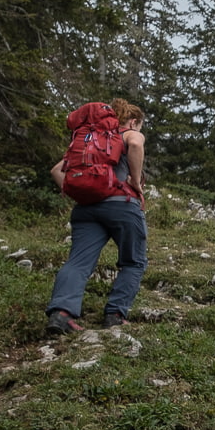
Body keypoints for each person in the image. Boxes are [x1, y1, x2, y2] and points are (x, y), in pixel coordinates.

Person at [45, 98, 148, 335]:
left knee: (78, 262)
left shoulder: (90, 139)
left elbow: (56, 171)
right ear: (133, 121)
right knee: (133, 261)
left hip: (86, 208)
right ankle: (114, 315)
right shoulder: (128, 133)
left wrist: (82, 196)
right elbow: (136, 144)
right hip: (122, 205)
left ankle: (61, 315)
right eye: (139, 125)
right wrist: (134, 180)